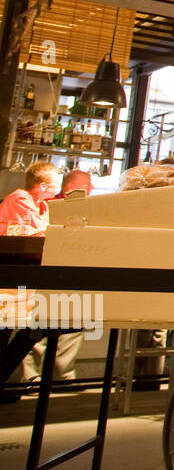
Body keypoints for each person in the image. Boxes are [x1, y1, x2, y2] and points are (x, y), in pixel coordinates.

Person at [18, 167, 89, 384]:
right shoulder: (40, 203)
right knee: (38, 324)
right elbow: (36, 233)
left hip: (62, 272)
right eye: (88, 186)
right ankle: (37, 377)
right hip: (41, 271)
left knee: (69, 322)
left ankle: (55, 376)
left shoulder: (45, 204)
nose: (92, 189)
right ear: (72, 188)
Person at [0, 161, 59, 236]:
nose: (57, 189)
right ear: (43, 186)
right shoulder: (20, 198)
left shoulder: (42, 204)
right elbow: (40, 227)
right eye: (56, 185)